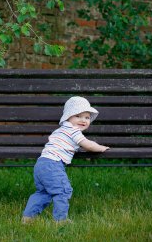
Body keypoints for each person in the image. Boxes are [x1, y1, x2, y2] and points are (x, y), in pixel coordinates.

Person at [22, 96, 109, 224]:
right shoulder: (73, 131)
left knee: (44, 193)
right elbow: (88, 145)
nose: (83, 120)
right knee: (62, 191)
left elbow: (67, 145)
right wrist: (101, 148)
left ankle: (28, 218)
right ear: (68, 117)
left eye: (87, 117)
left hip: (41, 164)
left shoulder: (61, 130)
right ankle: (60, 220)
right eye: (78, 116)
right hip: (53, 164)